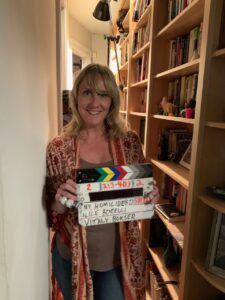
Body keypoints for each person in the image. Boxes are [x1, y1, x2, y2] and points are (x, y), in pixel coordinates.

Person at [46, 63, 159, 300]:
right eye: (87, 92)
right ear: (76, 97)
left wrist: (149, 197)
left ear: (112, 100)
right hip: (71, 257)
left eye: (103, 94)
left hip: (116, 260)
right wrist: (60, 200)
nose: (95, 102)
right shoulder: (58, 148)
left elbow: (138, 201)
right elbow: (53, 215)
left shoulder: (129, 142)